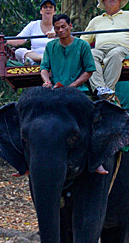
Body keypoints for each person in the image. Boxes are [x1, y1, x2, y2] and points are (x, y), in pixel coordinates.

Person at [40, 14, 107, 175]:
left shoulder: (82, 46)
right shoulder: (51, 47)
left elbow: (89, 70)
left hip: (79, 93)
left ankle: (96, 160)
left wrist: (73, 85)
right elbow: (44, 68)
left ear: (70, 26)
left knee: (92, 122)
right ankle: (30, 163)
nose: (61, 30)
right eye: (57, 28)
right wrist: (46, 80)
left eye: (63, 26)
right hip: (56, 92)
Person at [6, 0, 56, 64]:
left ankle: (44, 59)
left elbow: (66, 41)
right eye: (45, 7)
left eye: (50, 7)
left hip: (53, 58)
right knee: (19, 52)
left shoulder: (58, 26)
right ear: (41, 11)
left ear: (54, 11)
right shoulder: (33, 25)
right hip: (35, 58)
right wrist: (5, 41)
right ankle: (41, 59)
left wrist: (56, 35)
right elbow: (20, 39)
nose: (48, 9)